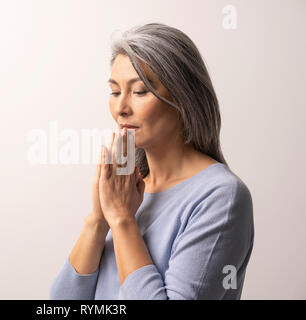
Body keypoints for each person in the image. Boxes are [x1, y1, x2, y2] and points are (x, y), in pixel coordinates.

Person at [50, 23, 254, 300]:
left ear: (184, 97)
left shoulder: (221, 196)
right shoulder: (126, 189)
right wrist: (99, 221)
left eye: (140, 91)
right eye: (114, 92)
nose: (121, 108)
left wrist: (122, 220)